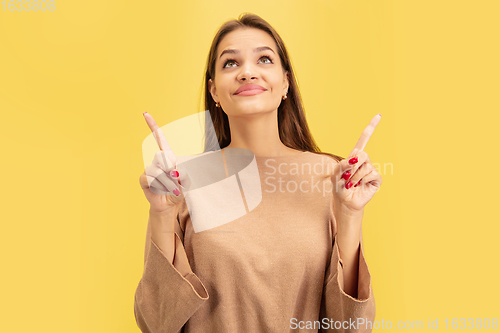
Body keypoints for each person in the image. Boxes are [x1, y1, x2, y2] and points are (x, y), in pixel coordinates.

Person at [134, 13, 382, 333]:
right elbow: (156, 324)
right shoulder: (181, 182)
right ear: (214, 91)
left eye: (264, 59)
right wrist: (161, 215)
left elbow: (351, 327)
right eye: (230, 63)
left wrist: (349, 214)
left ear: (285, 84)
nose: (247, 72)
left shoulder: (331, 179)